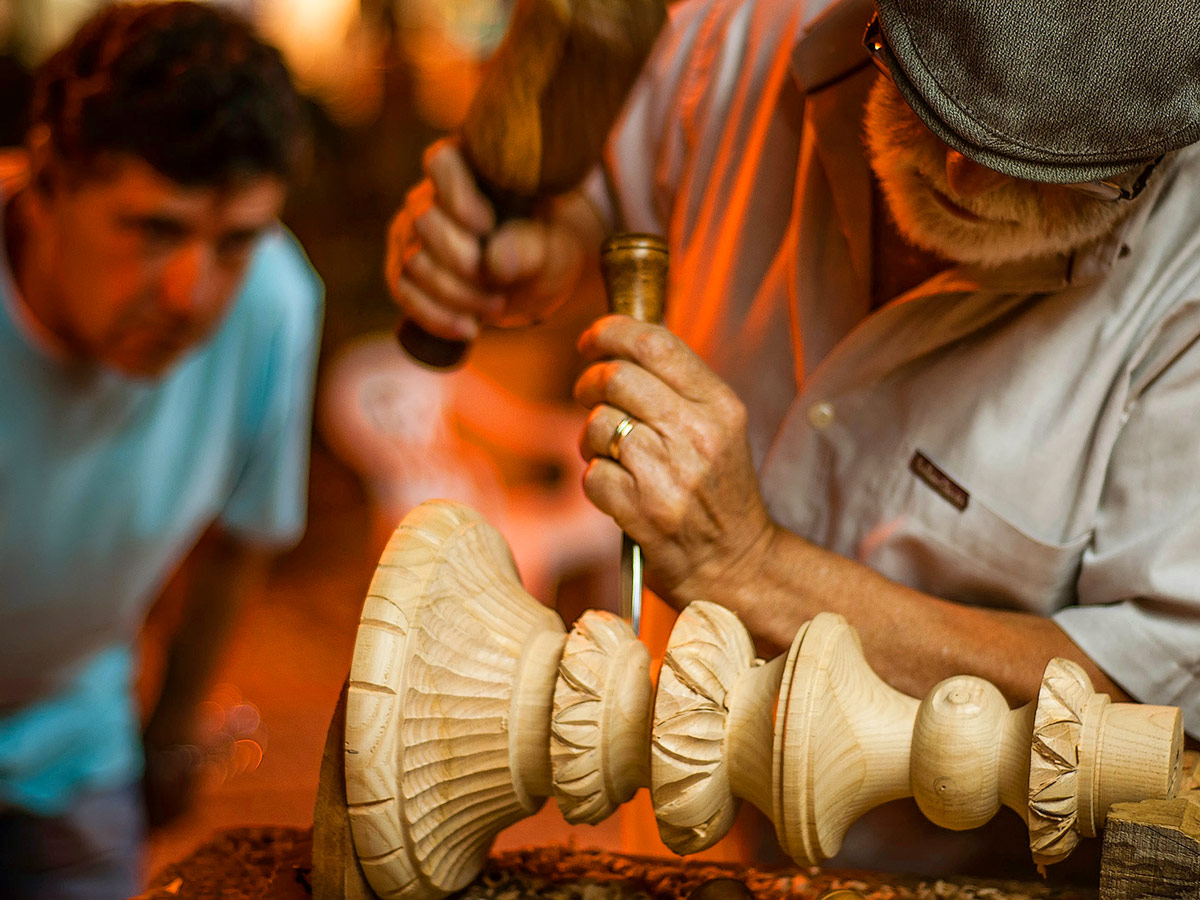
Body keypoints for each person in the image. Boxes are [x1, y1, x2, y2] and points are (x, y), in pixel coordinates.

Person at [388, 0, 1200, 878]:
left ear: (1156, 158)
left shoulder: (1184, 292)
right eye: (927, 101)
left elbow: (1146, 702)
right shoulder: (749, 32)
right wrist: (544, 242)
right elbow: (601, 188)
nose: (961, 177)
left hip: (938, 884)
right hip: (665, 856)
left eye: (1042, 166)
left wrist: (747, 565)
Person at [0, 2, 322, 894]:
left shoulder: (273, 304)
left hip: (73, 744)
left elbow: (239, 541)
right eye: (154, 230)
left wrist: (173, 734)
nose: (192, 295)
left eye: (235, 241)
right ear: (50, 181)